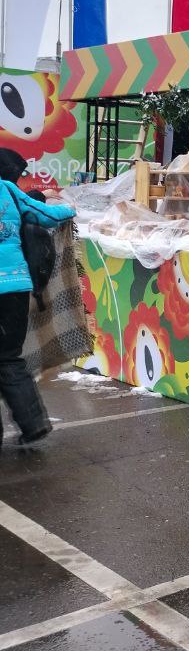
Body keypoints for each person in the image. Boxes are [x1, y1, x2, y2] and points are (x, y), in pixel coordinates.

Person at [0, 147, 74, 449]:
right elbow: (44, 215)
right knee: (8, 358)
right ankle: (34, 422)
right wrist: (70, 208)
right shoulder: (7, 190)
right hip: (14, 288)